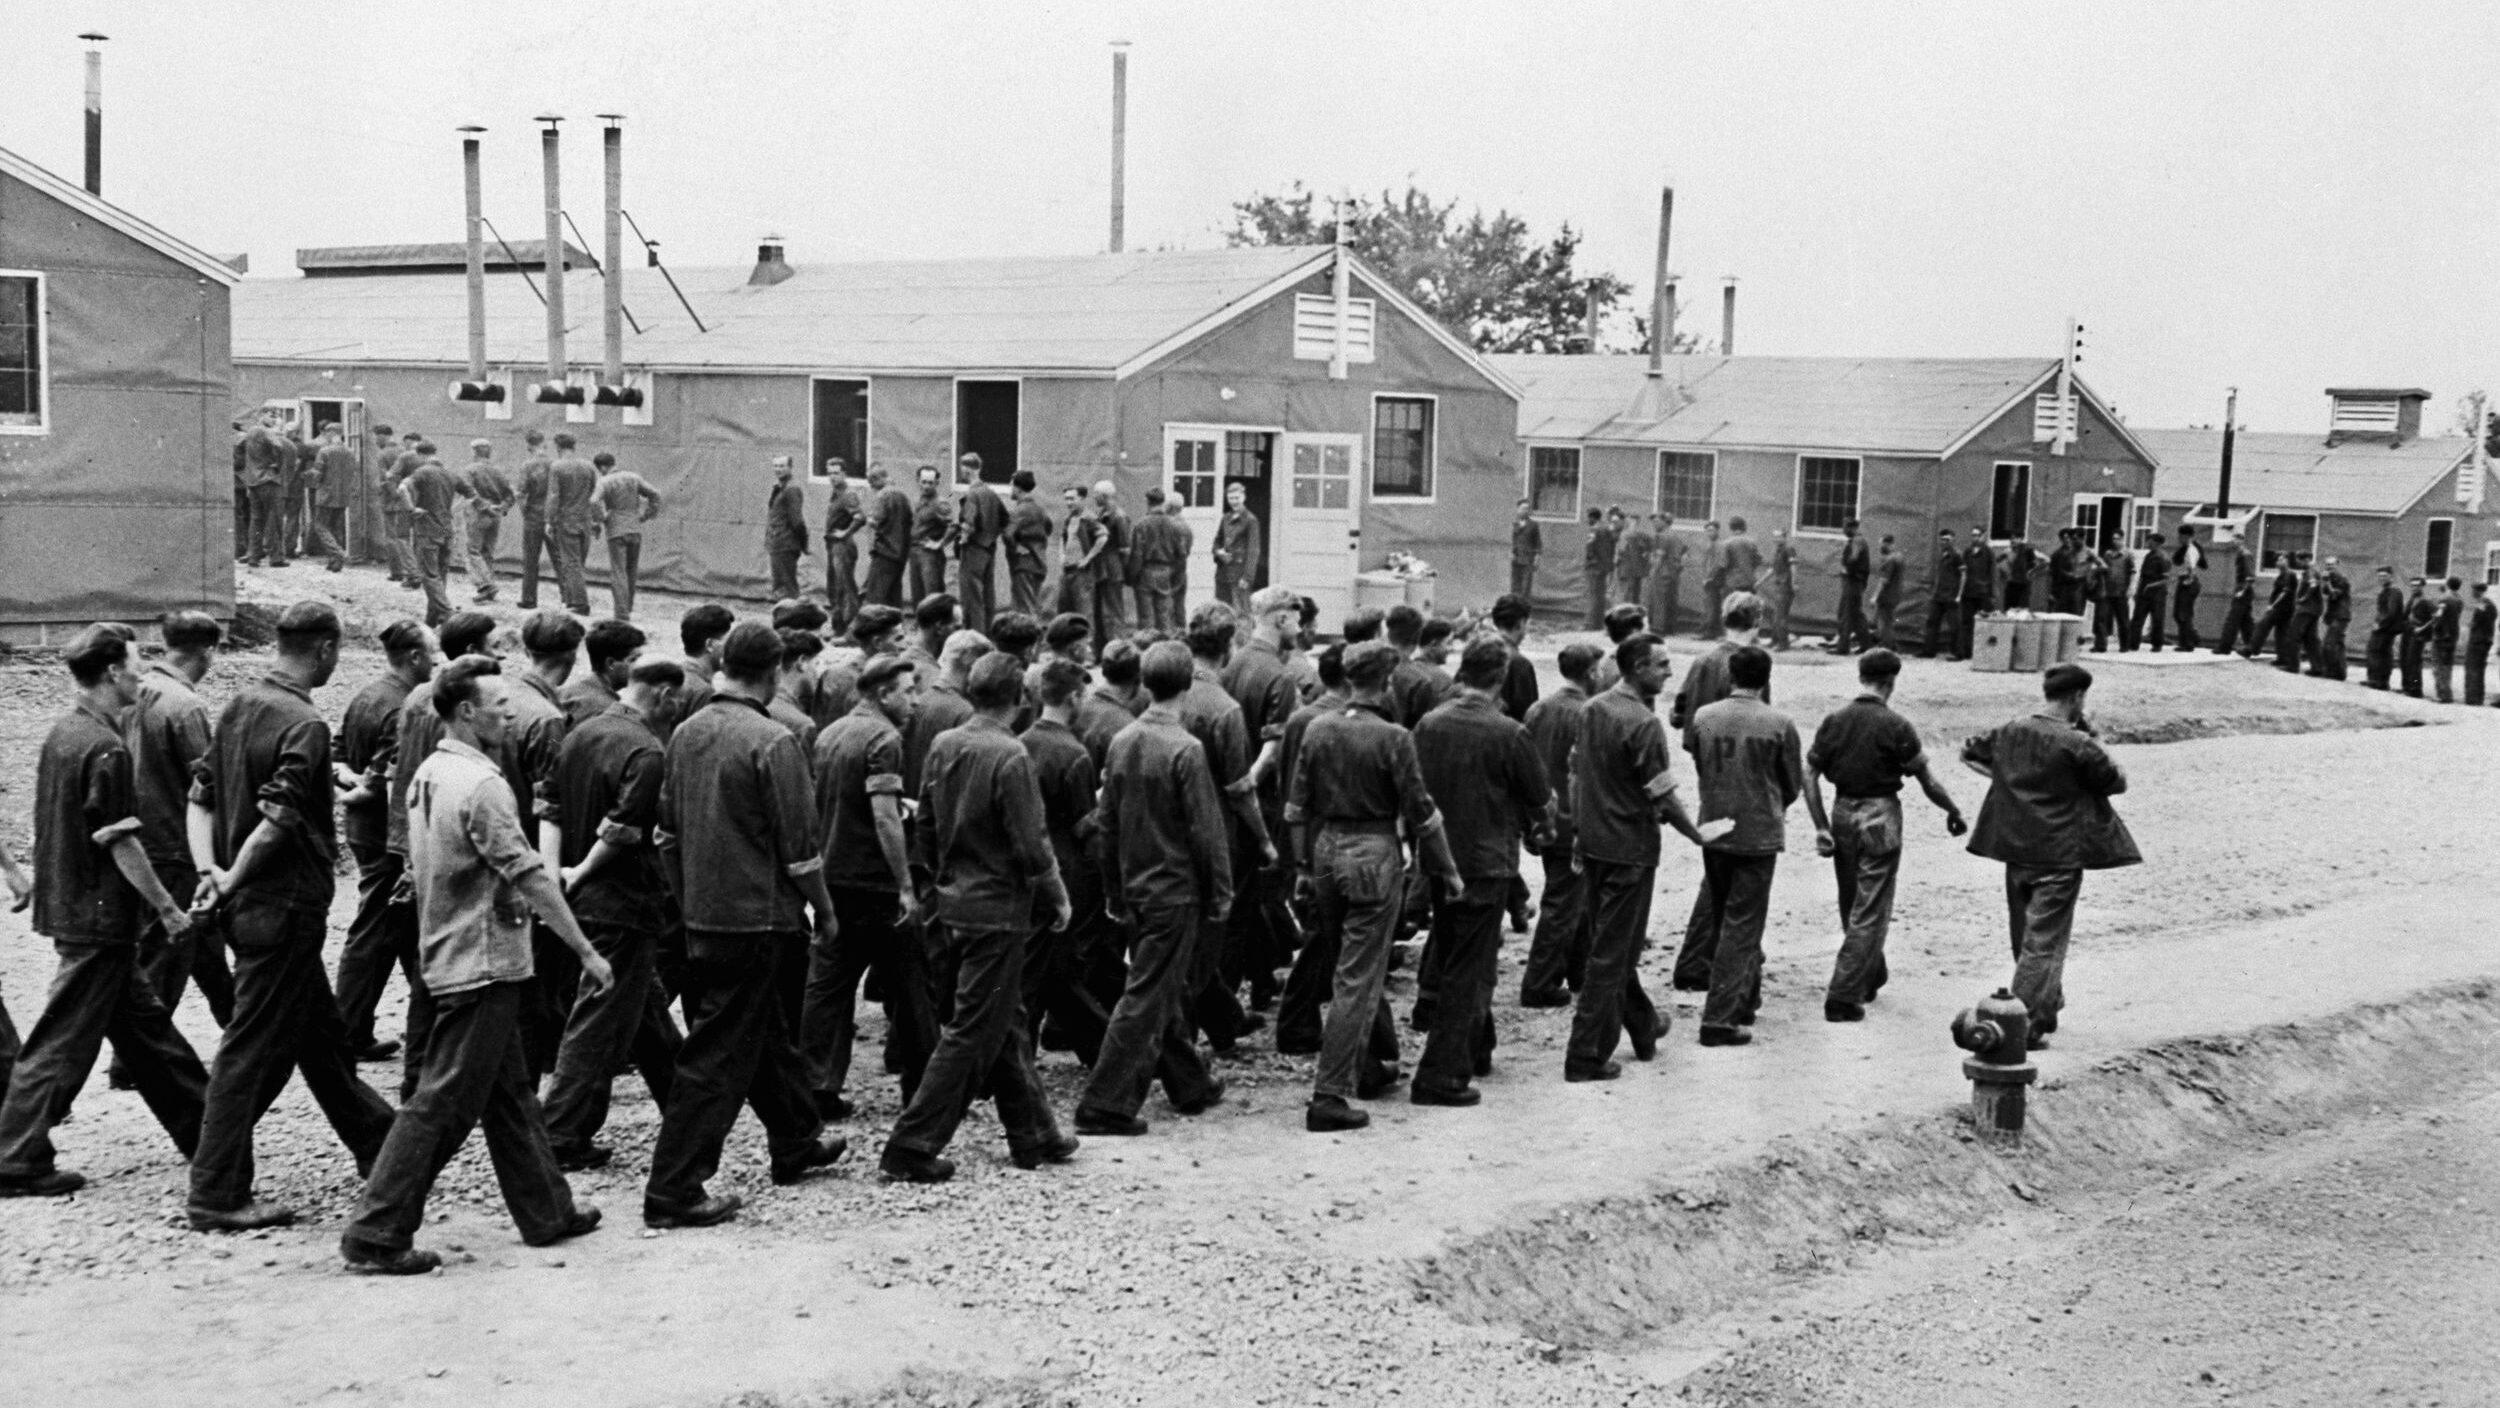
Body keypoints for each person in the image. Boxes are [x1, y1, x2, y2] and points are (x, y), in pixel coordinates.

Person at [339, 658, 612, 1274]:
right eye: (498, 703)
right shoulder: (483, 786)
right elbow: (529, 874)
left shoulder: (431, 773)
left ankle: (547, 1209)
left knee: (510, 1092)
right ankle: (377, 1230)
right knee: (442, 1101)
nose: (510, 711)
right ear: (466, 712)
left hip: (455, 951)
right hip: (483, 961)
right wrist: (586, 951)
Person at [186, 602, 398, 1232]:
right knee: (249, 1054)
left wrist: (211, 873)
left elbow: (200, 795)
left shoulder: (240, 703)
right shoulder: (304, 722)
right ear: (327, 649)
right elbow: (278, 822)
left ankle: (381, 1145)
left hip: (250, 907)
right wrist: (232, 875)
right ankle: (216, 1194)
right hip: (284, 907)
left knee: (323, 1041)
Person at [644, 623, 844, 1228]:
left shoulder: (685, 733)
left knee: (763, 1034)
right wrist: (826, 911)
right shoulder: (774, 741)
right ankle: (674, 1188)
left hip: (705, 915)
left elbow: (667, 836)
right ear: (776, 671)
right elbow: (802, 850)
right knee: (717, 1054)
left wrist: (688, 899)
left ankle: (797, 1139)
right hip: (759, 918)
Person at [0, 626, 210, 1198]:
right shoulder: (107, 747)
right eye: (138, 664)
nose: (143, 674)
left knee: (147, 1034)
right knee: (59, 1039)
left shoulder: (65, 733)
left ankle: (208, 1135)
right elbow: (121, 842)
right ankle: (15, 1158)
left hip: (74, 907)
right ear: (113, 672)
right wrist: (167, 910)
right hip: (97, 919)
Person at [878, 653, 1076, 1182]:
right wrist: (1057, 897)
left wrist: (934, 883)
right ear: (1022, 699)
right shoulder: (1011, 755)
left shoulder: (946, 744)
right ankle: (912, 1144)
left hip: (953, 904)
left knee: (1000, 1017)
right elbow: (1032, 844)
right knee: (971, 1028)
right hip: (998, 911)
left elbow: (926, 822)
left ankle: (1034, 1133)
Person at [1288, 642, 1459, 1131]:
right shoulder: (1394, 738)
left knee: (1347, 960)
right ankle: (1330, 1094)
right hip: (1374, 853)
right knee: (1358, 980)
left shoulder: (1318, 727)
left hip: (1324, 851)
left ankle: (1366, 1064)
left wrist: (1302, 868)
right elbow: (1422, 814)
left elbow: (1296, 808)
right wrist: (1446, 869)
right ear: (1385, 684)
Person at [1072, 642, 1231, 1136]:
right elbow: (1206, 830)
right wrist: (1221, 890)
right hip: (1175, 890)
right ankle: (1105, 1102)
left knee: (1158, 986)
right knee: (1147, 994)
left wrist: (1115, 891)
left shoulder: (1124, 739)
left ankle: (1190, 1082)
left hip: (1138, 887)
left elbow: (1109, 823)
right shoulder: (1186, 748)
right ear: (1187, 685)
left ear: (1145, 683)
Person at [540, 654, 687, 1169]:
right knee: (600, 1020)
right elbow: (623, 829)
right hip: (624, 900)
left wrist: (556, 875)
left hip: (588, 901)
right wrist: (580, 871)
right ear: (664, 695)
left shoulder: (579, 733)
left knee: (645, 1006)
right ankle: (558, 1134)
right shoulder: (647, 751)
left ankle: (684, 1104)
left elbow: (551, 807)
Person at [1960, 663, 2139, 1045]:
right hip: (2058, 853)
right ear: (2077, 697)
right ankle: (2019, 1026)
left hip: (2014, 847)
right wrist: (2095, 736)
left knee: (2024, 935)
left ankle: (2045, 1007)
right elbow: (2117, 782)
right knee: (2043, 941)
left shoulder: (2012, 730)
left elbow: (1969, 753)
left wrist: (2005, 781)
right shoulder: (2077, 743)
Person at [1409, 639, 1549, 1107]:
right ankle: (1442, 1073)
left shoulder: (1429, 724)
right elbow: (1537, 795)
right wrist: (1540, 828)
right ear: (1501, 678)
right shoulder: (1509, 733)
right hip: (1487, 862)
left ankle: (1477, 1047)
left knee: (1455, 955)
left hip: (1440, 858)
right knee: (1471, 970)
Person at [1568, 633, 1709, 1080]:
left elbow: (1581, 774)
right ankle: (1585, 1054)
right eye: (1661, 664)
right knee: (1613, 954)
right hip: (1630, 849)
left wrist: (1579, 828)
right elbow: (1663, 794)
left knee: (1612, 945)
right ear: (1637, 668)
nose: (1669, 672)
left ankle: (1643, 1025)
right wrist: (1697, 835)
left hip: (1594, 843)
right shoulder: (1644, 724)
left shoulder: (1593, 709)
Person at [800, 655, 935, 1117]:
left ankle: (815, 1087)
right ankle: (923, 1094)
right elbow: (881, 814)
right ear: (883, 694)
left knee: (827, 988)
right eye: (908, 691)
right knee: (914, 988)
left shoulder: (833, 732)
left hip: (833, 875)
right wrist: (903, 886)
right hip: (875, 884)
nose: (915, 700)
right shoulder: (885, 739)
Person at [1803, 648, 1967, 1023]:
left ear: (1861, 676)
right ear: (1892, 681)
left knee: (1851, 901)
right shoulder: (1896, 725)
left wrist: (1821, 826)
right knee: (1870, 908)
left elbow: (1808, 774)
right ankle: (1843, 995)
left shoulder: (1834, 720)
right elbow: (1928, 781)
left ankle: (1870, 973)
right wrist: (1953, 810)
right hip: (1880, 814)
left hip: (1842, 812)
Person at [119, 612, 235, 1060]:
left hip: (146, 839)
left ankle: (239, 1020)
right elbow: (206, 784)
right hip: (176, 843)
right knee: (166, 950)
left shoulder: (138, 691)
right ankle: (133, 1058)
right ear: (208, 651)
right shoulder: (185, 706)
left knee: (204, 941)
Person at [1684, 646, 1801, 1047]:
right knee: (1744, 925)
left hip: (1714, 826)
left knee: (1723, 917)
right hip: (1758, 832)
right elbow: (1791, 784)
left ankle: (1745, 998)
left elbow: (1700, 764)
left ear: (1730, 675)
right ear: (1766, 679)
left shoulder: (1704, 717)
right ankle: (1720, 1019)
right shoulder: (1780, 722)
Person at [333, 620, 435, 1063]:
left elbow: (337, 751)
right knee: (376, 930)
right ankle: (349, 1032)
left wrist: (344, 782)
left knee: (403, 927)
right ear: (415, 657)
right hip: (388, 835)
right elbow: (383, 777)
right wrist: (362, 785)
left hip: (363, 827)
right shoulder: (401, 707)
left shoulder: (367, 694)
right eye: (432, 652)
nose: (437, 660)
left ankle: (430, 1024)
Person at [1517, 643, 1602, 1007]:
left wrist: (1527, 823)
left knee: (1574, 899)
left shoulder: (1538, 710)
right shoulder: (1589, 713)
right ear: (1591, 673)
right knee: (1563, 904)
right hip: (1574, 822)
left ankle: (1579, 969)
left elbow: (1524, 767)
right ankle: (1539, 983)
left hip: (1546, 819)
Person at [592, 453, 663, 622]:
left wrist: (602, 518)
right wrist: (646, 515)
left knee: (619, 572)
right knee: (631, 571)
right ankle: (628, 607)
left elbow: (593, 501)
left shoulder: (604, 481)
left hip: (616, 530)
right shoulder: (634, 477)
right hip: (634, 529)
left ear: (602, 467)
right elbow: (655, 495)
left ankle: (621, 613)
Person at [404, 445, 469, 626]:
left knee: (429, 574)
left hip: (428, 527)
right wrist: (452, 510)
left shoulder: (422, 472)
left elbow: (402, 488)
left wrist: (411, 508)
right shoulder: (450, 474)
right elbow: (471, 496)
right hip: (446, 528)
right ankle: (434, 616)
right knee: (441, 572)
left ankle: (446, 612)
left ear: (421, 455)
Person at [546, 433, 601, 615]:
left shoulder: (557, 466)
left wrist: (549, 520)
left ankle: (579, 603)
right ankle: (571, 599)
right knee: (578, 563)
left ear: (558, 447)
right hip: (584, 520)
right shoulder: (588, 466)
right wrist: (597, 519)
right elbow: (595, 495)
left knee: (571, 563)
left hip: (566, 520)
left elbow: (554, 497)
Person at [955, 453, 1009, 633]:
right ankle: (988, 634)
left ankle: (975, 635)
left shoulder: (973, 494)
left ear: (966, 469)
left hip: (973, 550)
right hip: (989, 549)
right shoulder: (991, 493)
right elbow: (1005, 519)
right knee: (987, 595)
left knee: (972, 598)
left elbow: (969, 523)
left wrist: (963, 539)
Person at [561, 619, 644, 728]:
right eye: (633, 660)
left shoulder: (567, 692)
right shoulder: (610, 711)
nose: (640, 666)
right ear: (610, 663)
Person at [461, 439, 515, 604]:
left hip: (478, 513)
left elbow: (468, 491)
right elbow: (510, 495)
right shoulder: (497, 470)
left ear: (474, 451)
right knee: (487, 552)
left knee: (473, 551)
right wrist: (502, 508)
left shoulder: (469, 470)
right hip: (496, 513)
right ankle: (489, 586)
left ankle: (485, 586)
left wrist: (484, 507)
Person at [237, 408, 292, 567]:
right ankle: (276, 558)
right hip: (268, 480)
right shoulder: (264, 431)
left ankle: (254, 556)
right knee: (275, 519)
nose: (274, 419)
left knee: (256, 520)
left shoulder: (249, 433)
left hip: (252, 481)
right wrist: (276, 466)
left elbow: (238, 449)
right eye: (271, 415)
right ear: (261, 416)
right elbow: (279, 447)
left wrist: (244, 469)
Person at [1133, 486, 1187, 632]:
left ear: (1147, 502)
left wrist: (1133, 576)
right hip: (1166, 571)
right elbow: (1181, 554)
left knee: (1146, 617)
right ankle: (1165, 649)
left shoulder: (1141, 525)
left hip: (1146, 571)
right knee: (1164, 615)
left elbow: (1137, 554)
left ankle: (1146, 649)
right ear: (1163, 502)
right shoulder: (1174, 525)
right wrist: (1174, 573)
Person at [821, 462, 865, 633]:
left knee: (845, 587)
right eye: (830, 473)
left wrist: (845, 533)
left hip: (843, 547)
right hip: (833, 545)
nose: (833, 477)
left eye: (837, 473)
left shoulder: (848, 495)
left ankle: (852, 628)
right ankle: (838, 626)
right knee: (834, 587)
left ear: (844, 474)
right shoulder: (836, 494)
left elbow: (860, 517)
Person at [1004, 471, 1053, 618]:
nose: (1010, 489)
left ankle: (1030, 639)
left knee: (1024, 609)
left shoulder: (1020, 510)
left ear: (1018, 488)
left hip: (1023, 565)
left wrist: (1016, 547)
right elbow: (1048, 528)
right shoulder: (1040, 510)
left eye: (1012, 485)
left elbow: (1008, 534)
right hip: (1039, 564)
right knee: (1033, 605)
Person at [308, 423, 356, 572]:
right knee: (337, 527)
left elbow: (317, 473)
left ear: (331, 433)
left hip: (326, 494)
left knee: (320, 526)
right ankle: (335, 562)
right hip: (343, 495)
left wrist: (312, 483)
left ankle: (337, 553)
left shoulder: (325, 451)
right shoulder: (350, 452)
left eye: (327, 433)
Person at [865, 465, 914, 610]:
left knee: (876, 597)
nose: (871, 487)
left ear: (878, 479)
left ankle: (875, 630)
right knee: (894, 597)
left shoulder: (882, 496)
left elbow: (876, 520)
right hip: (901, 554)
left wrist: (868, 520)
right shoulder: (903, 496)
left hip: (884, 552)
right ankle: (897, 628)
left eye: (871, 482)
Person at [514, 430, 553, 608]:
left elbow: (521, 493)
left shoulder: (527, 466)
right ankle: (570, 598)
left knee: (530, 559)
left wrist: (525, 512)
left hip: (534, 515)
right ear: (544, 444)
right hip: (552, 516)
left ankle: (529, 599)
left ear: (529, 446)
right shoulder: (555, 464)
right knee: (560, 558)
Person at [1091, 481, 1134, 641]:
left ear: (1103, 496)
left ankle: (1118, 648)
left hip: (1112, 568)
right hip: (1100, 568)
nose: (1093, 497)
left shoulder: (1119, 517)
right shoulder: (1101, 514)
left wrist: (1122, 570)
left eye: (1095, 494)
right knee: (1099, 611)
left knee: (1114, 611)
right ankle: (1100, 649)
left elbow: (1125, 549)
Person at [905, 466, 951, 605]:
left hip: (929, 554)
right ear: (918, 481)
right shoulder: (917, 500)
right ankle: (919, 622)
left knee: (932, 594)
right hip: (914, 551)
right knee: (916, 592)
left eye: (930, 483)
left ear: (937, 483)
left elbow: (953, 525)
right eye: (923, 482)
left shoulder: (940, 503)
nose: (926, 486)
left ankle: (935, 624)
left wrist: (940, 543)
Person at [765, 457, 810, 601]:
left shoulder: (791, 489)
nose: (778, 469)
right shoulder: (779, 488)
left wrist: (803, 543)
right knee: (780, 585)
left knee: (786, 587)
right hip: (777, 541)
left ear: (790, 467)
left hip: (785, 542)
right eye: (776, 466)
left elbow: (797, 521)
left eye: (782, 466)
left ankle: (791, 616)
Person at [1215, 480, 1263, 611]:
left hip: (1239, 574)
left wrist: (1247, 577)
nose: (1234, 501)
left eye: (1237, 498)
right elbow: (1217, 541)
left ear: (1244, 497)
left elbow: (1254, 550)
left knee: (1242, 612)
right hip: (1223, 574)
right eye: (1230, 498)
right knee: (1222, 612)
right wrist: (1218, 552)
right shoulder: (1226, 518)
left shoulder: (1250, 520)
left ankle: (1244, 633)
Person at [1832, 519, 1873, 655]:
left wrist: (1847, 570)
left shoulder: (1857, 540)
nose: (1844, 531)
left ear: (1853, 527)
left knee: (1845, 614)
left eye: (1846, 527)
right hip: (1856, 583)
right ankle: (1866, 645)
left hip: (1853, 582)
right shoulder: (1857, 540)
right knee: (1856, 615)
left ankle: (1843, 647)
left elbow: (1854, 557)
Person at [2126, 533, 2170, 653]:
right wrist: (2137, 590)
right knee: (2137, 618)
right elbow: (2142, 575)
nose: (2148, 543)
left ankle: (2157, 644)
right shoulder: (2148, 556)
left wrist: (2150, 586)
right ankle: (2133, 643)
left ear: (2156, 542)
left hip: (2157, 594)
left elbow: (2165, 579)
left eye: (2150, 541)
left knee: (2157, 619)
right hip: (2144, 593)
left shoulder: (2163, 558)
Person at [2211, 543, 2257, 657]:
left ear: (2242, 541)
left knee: (2232, 620)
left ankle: (2225, 647)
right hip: (2243, 590)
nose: (2234, 542)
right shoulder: (2242, 554)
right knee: (2246, 622)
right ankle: (2252, 646)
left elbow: (2250, 577)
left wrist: (2242, 591)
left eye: (2237, 539)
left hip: (2243, 591)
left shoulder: (2245, 555)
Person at [2278, 555, 2321, 674]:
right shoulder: (2312, 571)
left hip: (2306, 609)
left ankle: (2293, 666)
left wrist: (2304, 598)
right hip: (2314, 610)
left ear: (2306, 560)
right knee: (2311, 638)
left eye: (2300, 561)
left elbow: (2313, 585)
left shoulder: (2310, 571)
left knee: (2293, 635)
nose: (2298, 564)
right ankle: (2318, 668)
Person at [2363, 566, 2405, 690]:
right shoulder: (2386, 591)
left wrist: (2380, 624)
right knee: (2378, 652)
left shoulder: (2394, 591)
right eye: (2380, 576)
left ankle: (2379, 681)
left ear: (2391, 577)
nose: (2381, 579)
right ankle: (2376, 680)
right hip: (2384, 626)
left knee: (2378, 652)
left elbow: (2391, 612)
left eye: (2384, 576)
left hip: (2387, 628)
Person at [1924, 529, 1963, 659]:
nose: (1944, 542)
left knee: (1954, 625)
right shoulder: (1942, 554)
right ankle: (1929, 651)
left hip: (1951, 595)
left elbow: (1964, 575)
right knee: (1932, 622)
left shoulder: (1957, 555)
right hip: (1939, 594)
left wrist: (1959, 594)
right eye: (1942, 539)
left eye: (1947, 539)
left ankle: (1957, 653)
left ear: (1953, 540)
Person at [1958, 527, 1996, 658]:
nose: (1975, 538)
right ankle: (1967, 652)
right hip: (1968, 593)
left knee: (1984, 623)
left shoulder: (1988, 553)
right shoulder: (1967, 552)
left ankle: (1983, 653)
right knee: (1966, 623)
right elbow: (1962, 573)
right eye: (1973, 535)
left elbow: (1993, 574)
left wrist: (1992, 595)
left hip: (1983, 593)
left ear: (1983, 537)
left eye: (1978, 535)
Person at [2316, 557, 2353, 681]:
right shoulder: (2331, 578)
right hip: (2335, 615)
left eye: (2331, 564)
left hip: (2341, 615)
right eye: (2327, 564)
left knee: (2329, 644)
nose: (2329, 567)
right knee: (2338, 644)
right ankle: (2340, 673)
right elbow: (2325, 592)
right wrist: (2325, 582)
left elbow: (2335, 595)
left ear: (2337, 565)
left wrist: (2327, 583)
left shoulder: (2342, 579)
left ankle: (2330, 671)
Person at [1581, 508, 1616, 631]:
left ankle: (1590, 624)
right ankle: (1598, 623)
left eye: (1588, 517)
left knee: (1593, 595)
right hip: (1603, 567)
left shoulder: (1594, 530)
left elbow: (1590, 547)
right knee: (1600, 596)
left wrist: (1590, 562)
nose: (1587, 520)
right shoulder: (1606, 530)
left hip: (1594, 567)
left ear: (1592, 517)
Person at [1615, 513, 1653, 625]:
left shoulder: (1626, 535)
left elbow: (1620, 553)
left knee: (1626, 596)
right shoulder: (1641, 535)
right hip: (1634, 571)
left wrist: (1647, 554)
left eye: (1634, 520)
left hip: (1629, 570)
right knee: (1632, 596)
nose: (1633, 522)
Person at [1649, 514, 1684, 636]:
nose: (1654, 524)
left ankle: (1658, 629)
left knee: (1659, 600)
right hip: (1673, 573)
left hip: (1662, 572)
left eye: (1656, 521)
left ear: (1664, 522)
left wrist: (1653, 571)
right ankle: (1670, 628)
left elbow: (1659, 556)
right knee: (1671, 600)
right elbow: (1684, 553)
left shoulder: (1661, 536)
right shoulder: (1676, 536)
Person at [2169, 526, 2204, 650]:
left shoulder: (2191, 550)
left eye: (2181, 536)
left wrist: (2188, 580)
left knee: (2183, 614)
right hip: (2184, 580)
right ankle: (2192, 638)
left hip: (2188, 582)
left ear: (2187, 536)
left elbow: (2192, 567)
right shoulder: (2186, 549)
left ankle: (2187, 643)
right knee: (2179, 614)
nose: (2179, 539)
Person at [2094, 537, 2131, 652]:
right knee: (2101, 618)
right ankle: (2101, 645)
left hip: (2121, 592)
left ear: (2123, 540)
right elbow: (2102, 570)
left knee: (2123, 619)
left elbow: (2133, 572)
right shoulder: (2107, 555)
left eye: (2118, 539)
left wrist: (2131, 587)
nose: (2115, 541)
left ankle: (2124, 645)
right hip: (2107, 591)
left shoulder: (2128, 555)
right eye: (2114, 539)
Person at [1762, 528, 1797, 649]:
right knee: (1776, 614)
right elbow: (1772, 569)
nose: (1776, 539)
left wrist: (1793, 583)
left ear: (1784, 537)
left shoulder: (1789, 549)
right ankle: (1775, 639)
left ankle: (1783, 643)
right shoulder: (1777, 551)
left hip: (1785, 585)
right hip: (1778, 585)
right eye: (1774, 536)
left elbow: (1793, 567)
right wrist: (1760, 581)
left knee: (1781, 615)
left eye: (1778, 536)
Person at [2431, 576, 2463, 703]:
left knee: (2439, 666)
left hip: (2441, 636)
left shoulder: (2444, 598)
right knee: (2447, 665)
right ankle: (2447, 693)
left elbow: (2439, 617)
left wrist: (2434, 624)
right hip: (2453, 635)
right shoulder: (2459, 599)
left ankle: (2442, 694)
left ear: (2448, 584)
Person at [2400, 575, 2433, 698]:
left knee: (2413, 661)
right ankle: (2407, 687)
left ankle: (2416, 689)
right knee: (2404, 659)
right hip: (2408, 631)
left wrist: (2422, 629)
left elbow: (2436, 616)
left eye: (2417, 586)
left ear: (2422, 586)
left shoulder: (2426, 600)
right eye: (2412, 585)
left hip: (2417, 634)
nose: (2414, 588)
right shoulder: (2412, 599)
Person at [2466, 582, 2497, 707]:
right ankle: (2477, 697)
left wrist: (2471, 625)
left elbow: (2476, 622)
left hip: (2478, 641)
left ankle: (2473, 698)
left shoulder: (2483, 604)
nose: (2472, 593)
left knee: (2473, 668)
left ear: (2479, 591)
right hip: (2484, 640)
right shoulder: (2489, 604)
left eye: (2474, 590)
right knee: (2478, 669)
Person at [1873, 535, 1904, 650]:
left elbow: (1883, 580)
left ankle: (1886, 645)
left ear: (1887, 544)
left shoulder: (1889, 560)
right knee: (1889, 621)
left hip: (1887, 595)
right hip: (1896, 594)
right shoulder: (1899, 557)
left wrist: (1875, 596)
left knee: (1884, 622)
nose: (1880, 547)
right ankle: (1892, 645)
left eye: (1881, 544)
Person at [1698, 520, 1728, 639]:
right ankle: (1712, 630)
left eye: (1712, 530)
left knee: (1711, 606)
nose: (1709, 533)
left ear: (1717, 531)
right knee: (1710, 605)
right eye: (1708, 530)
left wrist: (1710, 577)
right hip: (1708, 579)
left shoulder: (1720, 545)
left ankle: (1709, 632)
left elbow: (1721, 564)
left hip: (1714, 580)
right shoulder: (1710, 544)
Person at [1509, 499, 1541, 600]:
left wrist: (1537, 558)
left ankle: (1523, 611)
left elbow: (1538, 543)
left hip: (1528, 560)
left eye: (1527, 509)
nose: (1525, 511)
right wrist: (1511, 553)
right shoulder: (1515, 524)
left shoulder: (1533, 525)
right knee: (1515, 587)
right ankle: (1513, 610)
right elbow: (1512, 540)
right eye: (1523, 508)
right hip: (1516, 560)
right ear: (1517, 509)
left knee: (1525, 588)